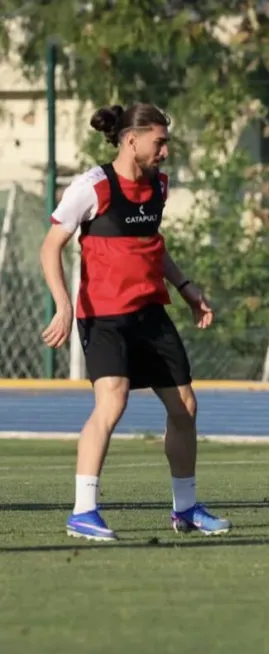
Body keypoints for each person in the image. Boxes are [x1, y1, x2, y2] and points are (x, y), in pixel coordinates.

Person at [40, 103, 230, 541]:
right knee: (113, 400)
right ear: (132, 140)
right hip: (104, 317)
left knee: (185, 408)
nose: (165, 151)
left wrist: (185, 288)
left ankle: (185, 509)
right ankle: (83, 511)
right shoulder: (92, 187)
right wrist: (63, 305)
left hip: (151, 313)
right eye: (159, 142)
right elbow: (50, 247)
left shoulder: (158, 185)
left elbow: (151, 245)